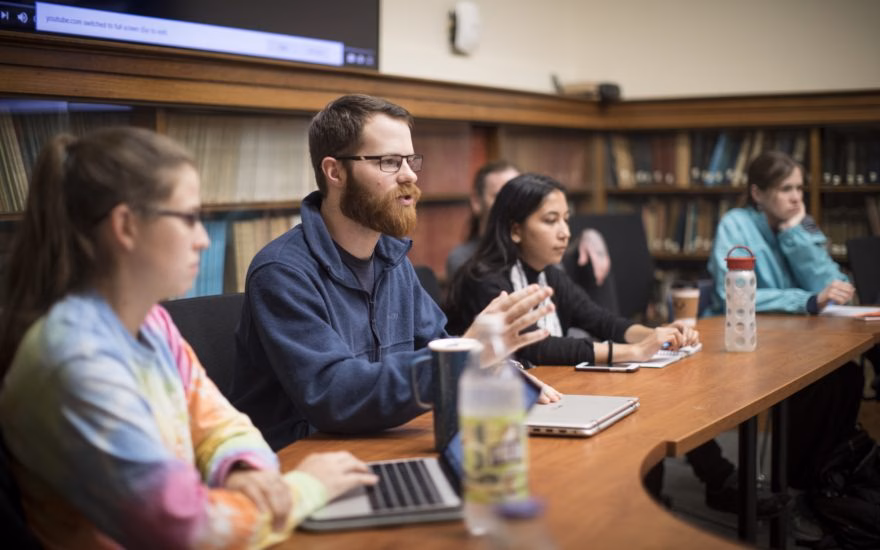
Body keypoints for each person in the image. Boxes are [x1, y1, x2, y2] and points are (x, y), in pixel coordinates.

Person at [0, 127, 379, 549]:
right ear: (125, 226)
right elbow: (179, 528)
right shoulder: (74, 359)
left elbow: (218, 423)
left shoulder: (151, 324)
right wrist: (304, 490)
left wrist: (243, 471)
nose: (202, 239)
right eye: (188, 219)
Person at [445, 172, 787, 516]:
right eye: (550, 221)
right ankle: (694, 489)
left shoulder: (548, 272)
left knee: (652, 396)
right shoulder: (484, 279)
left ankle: (705, 483)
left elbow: (601, 320)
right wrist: (632, 351)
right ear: (516, 230)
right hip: (492, 412)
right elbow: (535, 348)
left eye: (566, 219)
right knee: (642, 405)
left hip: (547, 391)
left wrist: (657, 334)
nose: (565, 232)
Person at [231, 94, 559, 452]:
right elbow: (335, 394)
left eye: (410, 160)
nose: (410, 175)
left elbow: (437, 342)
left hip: (376, 442)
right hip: (302, 462)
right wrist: (466, 357)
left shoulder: (392, 258)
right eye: (389, 162)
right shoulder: (281, 272)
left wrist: (497, 371)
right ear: (335, 172)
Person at [707, 149, 865, 492]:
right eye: (785, 189)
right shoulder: (735, 223)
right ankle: (799, 483)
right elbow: (731, 295)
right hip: (740, 339)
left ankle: (825, 478)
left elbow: (837, 288)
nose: (796, 198)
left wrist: (796, 236)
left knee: (848, 377)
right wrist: (805, 300)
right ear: (757, 193)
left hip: (789, 337)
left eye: (799, 188)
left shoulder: (800, 225)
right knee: (816, 385)